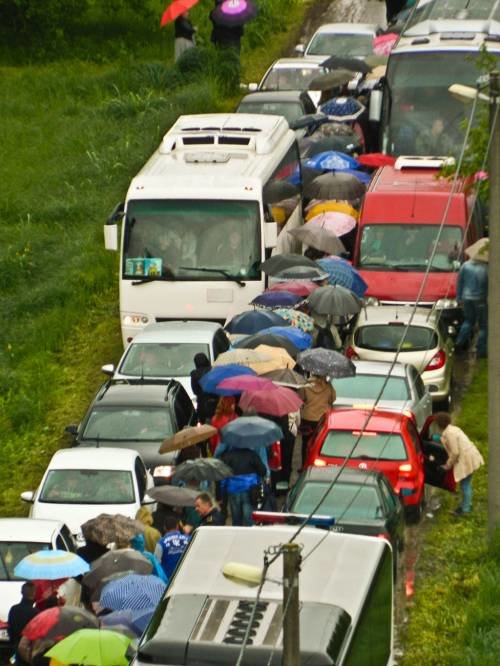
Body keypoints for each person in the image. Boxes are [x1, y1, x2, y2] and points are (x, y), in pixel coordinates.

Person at [433, 412, 484, 516]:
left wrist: (448, 465)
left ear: (439, 424)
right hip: (471, 457)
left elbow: (455, 452)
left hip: (467, 460)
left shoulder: (449, 434)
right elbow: (449, 441)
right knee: (465, 484)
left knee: (465, 485)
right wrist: (437, 439)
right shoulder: (452, 429)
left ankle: (465, 510)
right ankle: (465, 505)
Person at [220, 446, 267, 526]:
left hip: (233, 490)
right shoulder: (252, 455)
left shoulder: (227, 456)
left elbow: (223, 478)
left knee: (236, 519)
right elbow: (263, 471)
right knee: (249, 519)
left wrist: (222, 493)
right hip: (249, 490)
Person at [455, 254, 488, 357]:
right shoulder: (485, 267)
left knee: (469, 321)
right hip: (480, 298)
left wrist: (459, 298)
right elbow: (487, 284)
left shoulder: (465, 266)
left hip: (466, 297)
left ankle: (458, 344)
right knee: (484, 325)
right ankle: (480, 351)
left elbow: (460, 282)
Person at [300, 375, 336, 465]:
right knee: (320, 442)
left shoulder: (305, 385)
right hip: (322, 419)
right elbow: (333, 399)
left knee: (305, 442)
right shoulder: (328, 386)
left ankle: (304, 464)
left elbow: (300, 398)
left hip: (307, 418)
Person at [7, 583, 39, 665]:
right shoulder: (36, 612)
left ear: (21, 592)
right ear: (34, 593)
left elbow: (9, 629)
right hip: (28, 651)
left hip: (15, 648)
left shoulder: (14, 609)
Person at [155, 515, 191, 579]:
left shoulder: (161, 542)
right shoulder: (189, 539)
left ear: (165, 528)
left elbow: (156, 562)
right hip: (186, 578)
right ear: (177, 526)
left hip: (168, 581)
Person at [190, 353, 217, 423]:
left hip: (202, 405)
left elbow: (195, 391)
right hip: (214, 404)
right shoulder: (213, 371)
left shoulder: (194, 374)